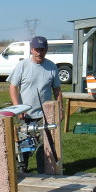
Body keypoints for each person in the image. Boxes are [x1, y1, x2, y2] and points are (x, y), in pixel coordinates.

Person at [7, 36, 63, 173]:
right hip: (25, 114)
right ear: (32, 50)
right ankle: (22, 170)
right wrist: (18, 108)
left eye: (42, 49)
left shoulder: (51, 67)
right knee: (23, 144)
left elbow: (57, 90)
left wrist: (59, 110)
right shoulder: (22, 66)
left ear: (46, 50)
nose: (39, 52)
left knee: (45, 145)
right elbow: (13, 87)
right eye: (37, 49)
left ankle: (43, 171)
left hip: (44, 115)